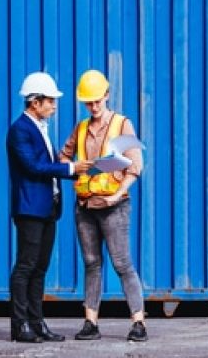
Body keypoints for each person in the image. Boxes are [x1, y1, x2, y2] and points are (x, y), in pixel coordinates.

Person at [59, 69, 148, 343]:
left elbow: (136, 165)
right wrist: (74, 168)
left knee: (122, 264)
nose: (94, 106)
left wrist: (116, 193)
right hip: (85, 206)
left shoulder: (122, 125)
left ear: (107, 95)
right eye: (89, 102)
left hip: (114, 206)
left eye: (97, 100)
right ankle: (90, 323)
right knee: (91, 264)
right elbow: (64, 158)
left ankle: (138, 324)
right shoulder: (82, 128)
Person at [6, 72, 92, 344]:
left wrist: (82, 171)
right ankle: (20, 326)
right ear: (34, 102)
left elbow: (51, 164)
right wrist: (70, 168)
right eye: (51, 101)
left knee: (40, 268)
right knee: (25, 266)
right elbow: (34, 167)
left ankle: (37, 323)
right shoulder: (20, 130)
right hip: (30, 209)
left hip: (47, 208)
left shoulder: (40, 128)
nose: (55, 106)